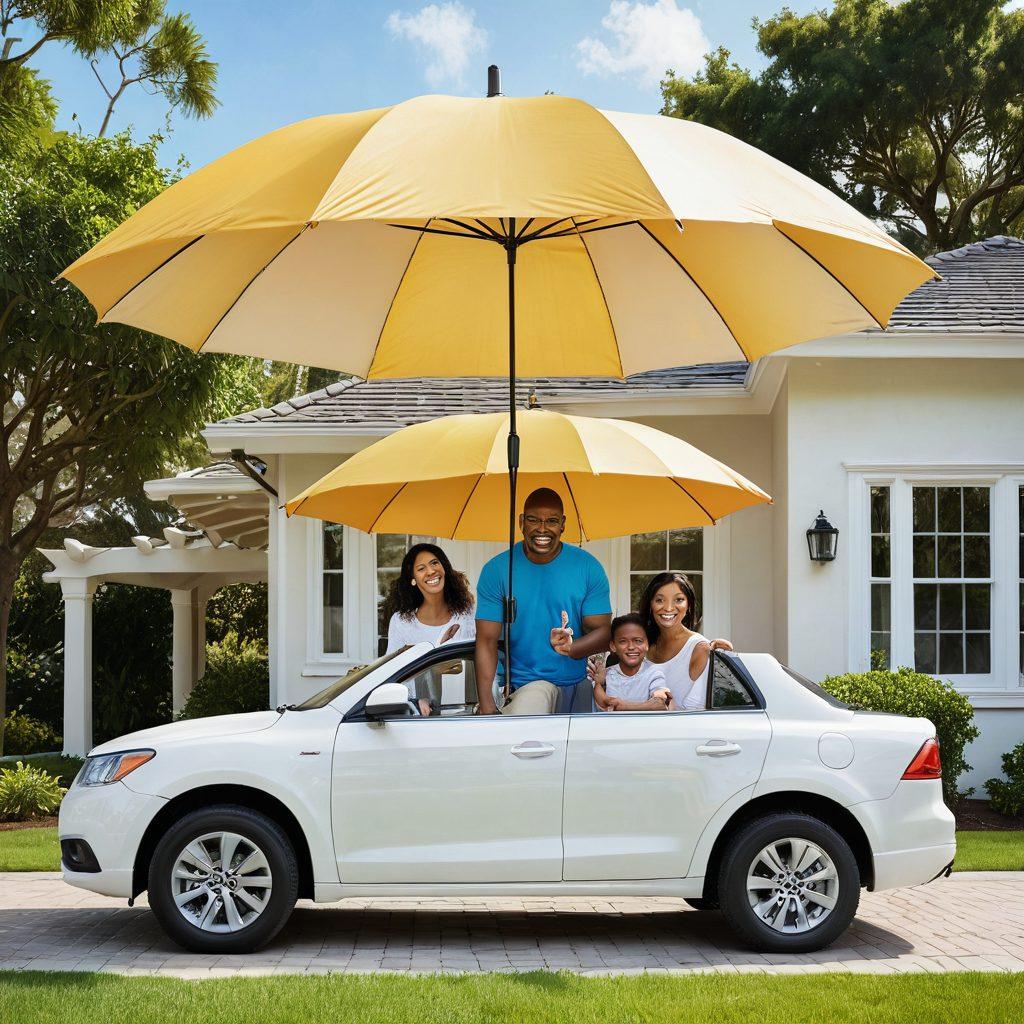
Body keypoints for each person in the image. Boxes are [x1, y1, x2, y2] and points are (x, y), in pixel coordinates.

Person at [475, 488, 612, 715]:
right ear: (521, 522)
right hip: (520, 688)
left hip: (575, 686)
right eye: (533, 520)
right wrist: (487, 706)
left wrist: (573, 647)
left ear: (563, 524)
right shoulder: (497, 570)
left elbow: (605, 633)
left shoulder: (588, 567)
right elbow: (486, 640)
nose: (542, 528)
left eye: (551, 521)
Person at [385, 543, 476, 713]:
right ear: (413, 579)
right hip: (417, 714)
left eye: (435, 563)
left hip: (463, 712)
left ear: (444, 568)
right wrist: (413, 700)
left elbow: (477, 659)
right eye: (421, 568)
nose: (431, 571)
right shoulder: (401, 622)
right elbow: (392, 675)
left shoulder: (465, 614)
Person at [635, 571, 732, 711]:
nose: (668, 608)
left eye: (678, 599)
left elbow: (697, 709)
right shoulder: (641, 645)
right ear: (650, 605)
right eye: (659, 600)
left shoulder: (699, 648)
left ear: (688, 605)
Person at [591, 613, 673, 712]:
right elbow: (604, 703)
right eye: (623, 641)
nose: (631, 647)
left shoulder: (654, 672)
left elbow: (660, 703)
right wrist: (598, 684)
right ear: (613, 646)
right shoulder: (607, 674)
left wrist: (624, 706)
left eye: (638, 641)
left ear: (647, 644)